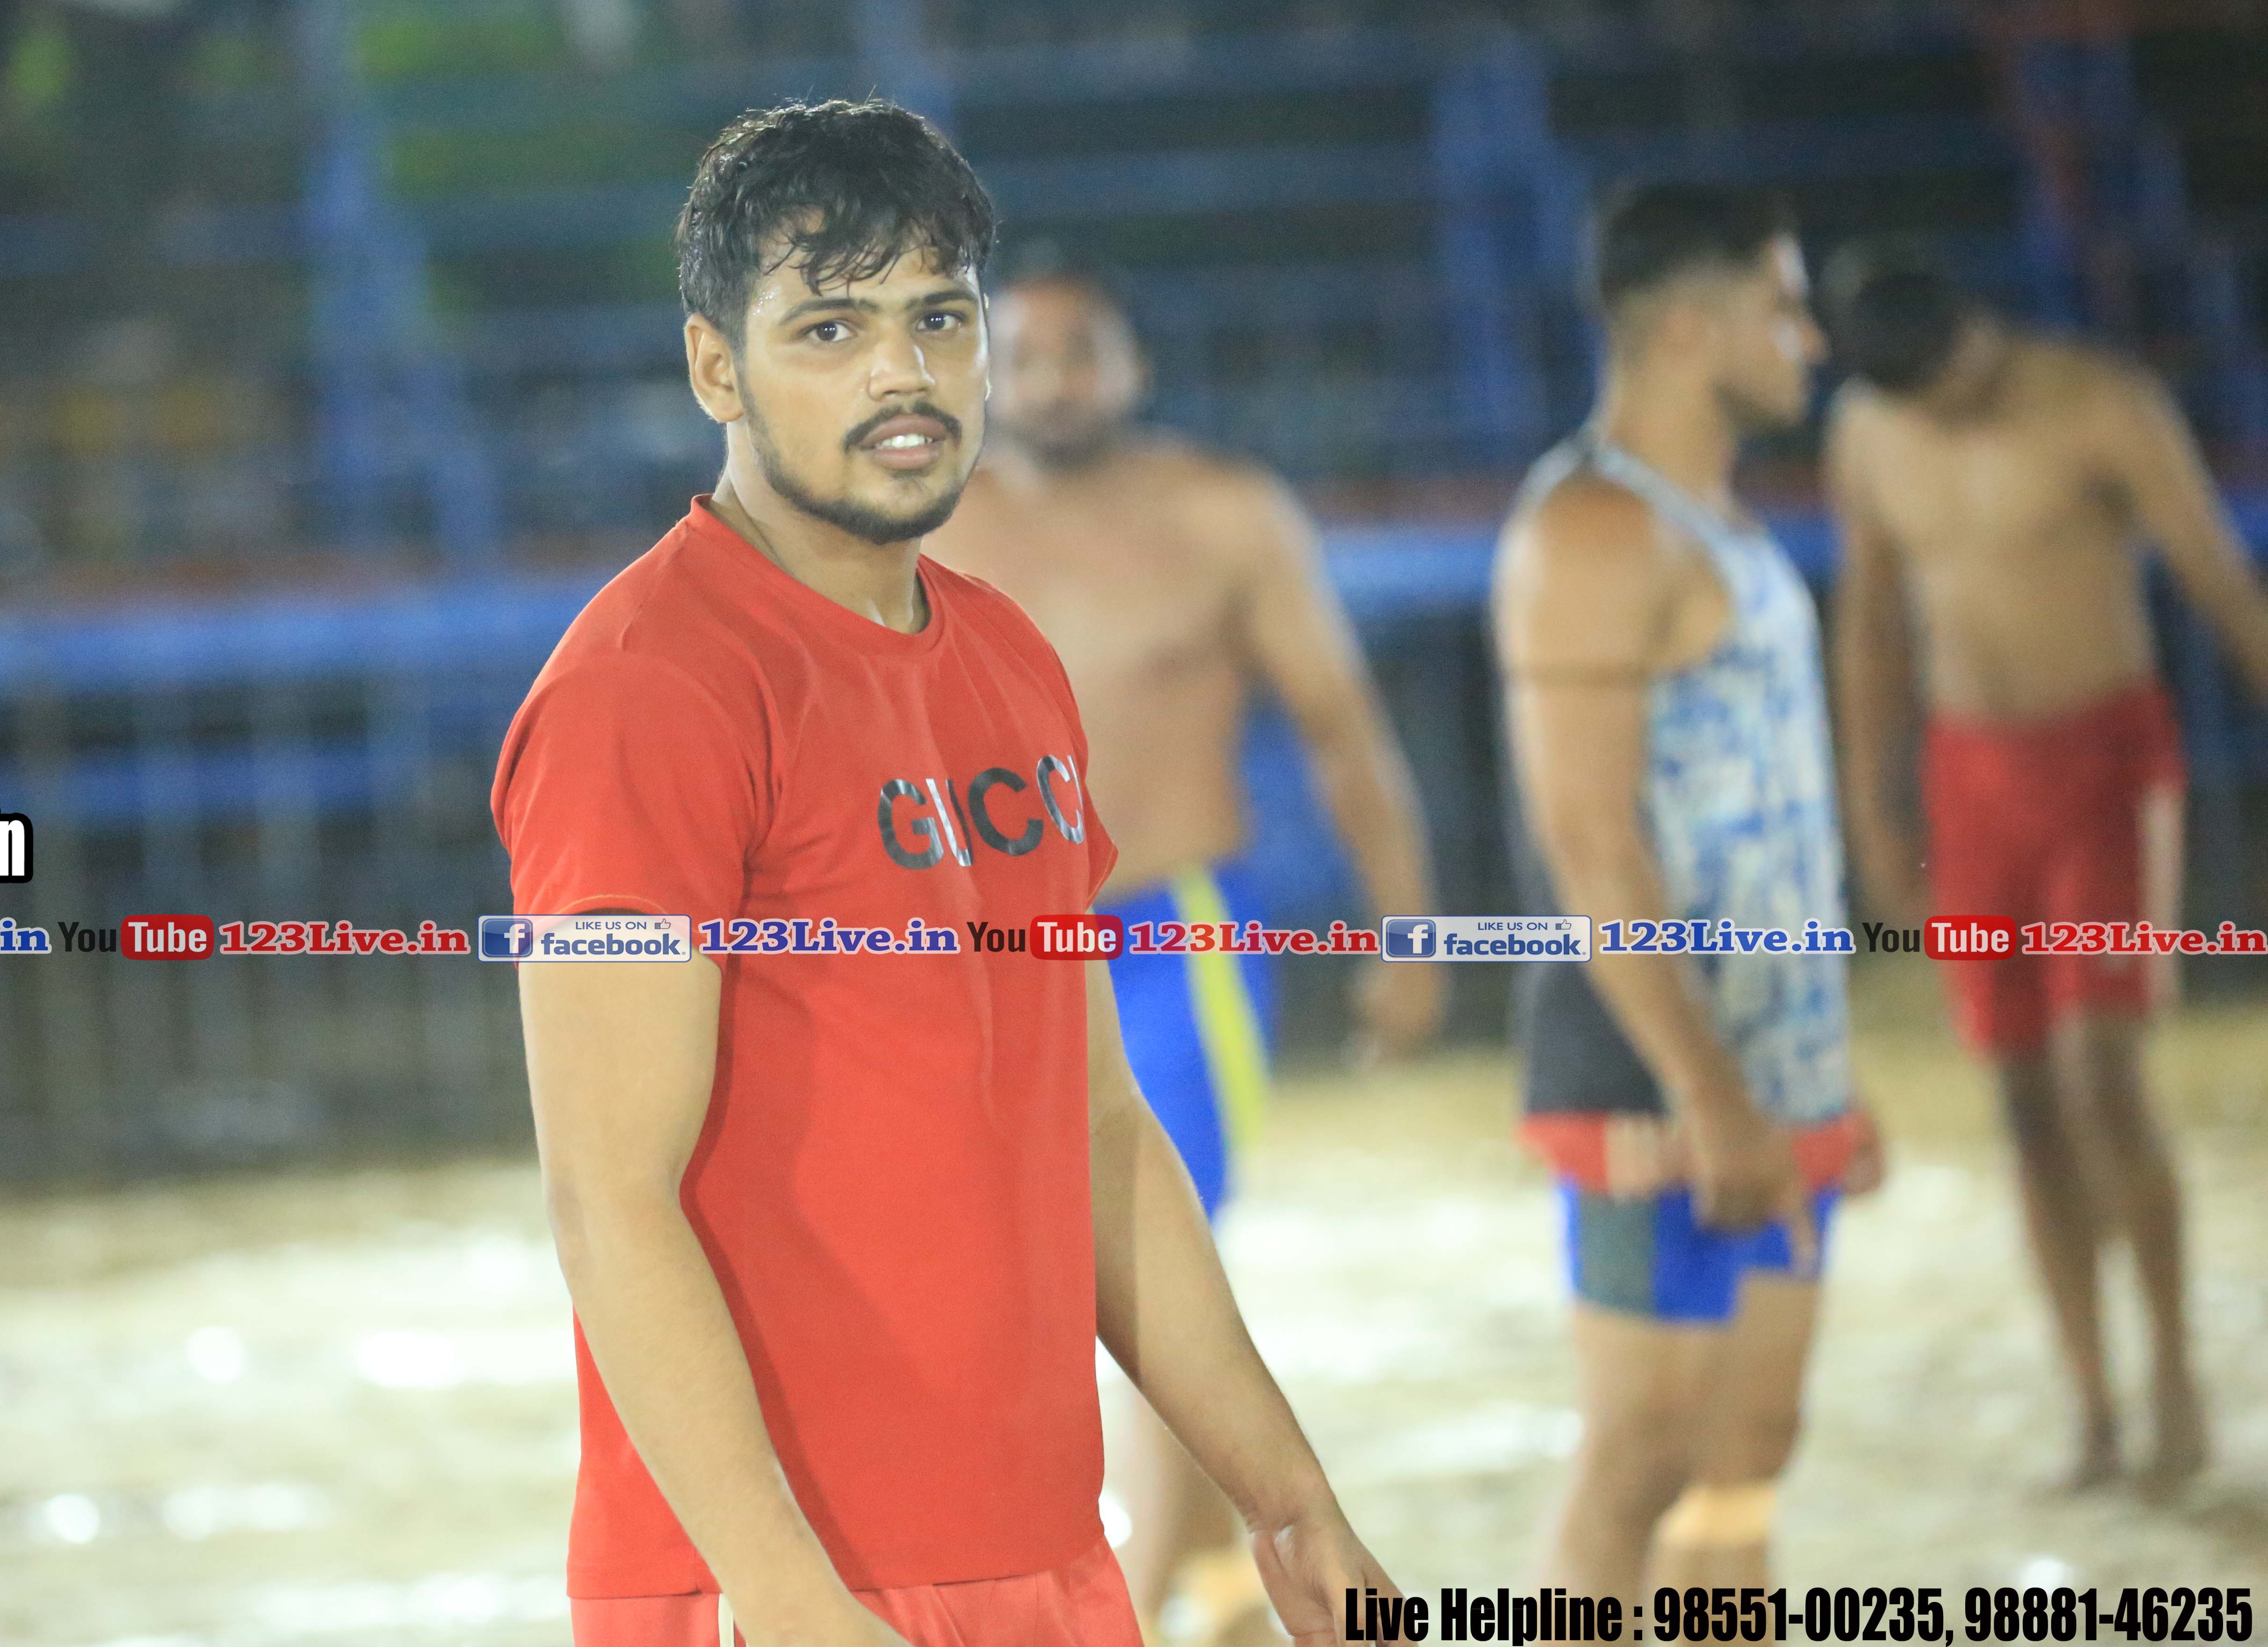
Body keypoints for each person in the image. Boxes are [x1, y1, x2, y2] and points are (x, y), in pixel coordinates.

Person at [491, 99, 1400, 1647]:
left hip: (1045, 1555)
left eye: (938, 319)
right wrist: (790, 1599)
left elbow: (1100, 1131)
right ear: (716, 368)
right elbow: (607, 1198)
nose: (901, 373)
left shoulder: (1006, 662)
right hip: (775, 1589)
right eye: (829, 329)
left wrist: (1290, 1496)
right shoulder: (647, 689)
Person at [925, 247, 1441, 1646]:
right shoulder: (930, 525)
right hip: (984, 952)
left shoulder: (1224, 516)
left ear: (1135, 366)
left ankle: (1137, 1608)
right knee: (1011, 1276)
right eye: (1025, 358)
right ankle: (1207, 1575)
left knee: (1153, 1262)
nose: (1054, 382)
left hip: (1173, 937)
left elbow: (1341, 725)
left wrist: (1407, 931)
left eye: (1081, 353)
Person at [1824, 239, 2266, 1490]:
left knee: (2103, 1074)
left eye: (1959, 393)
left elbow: (2222, 585)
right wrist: (1873, 806)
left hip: (2105, 770)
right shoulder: (1871, 432)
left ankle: (2174, 1375)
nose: (1947, 420)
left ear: (1980, 334)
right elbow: (1871, 619)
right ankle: (2093, 1402)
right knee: (2021, 1098)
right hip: (1970, 780)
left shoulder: (2101, 402)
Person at [1492, 184, 1882, 1602]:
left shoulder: (1713, 517)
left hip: (1770, 1063)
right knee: (1644, 1458)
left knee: (1746, 1454)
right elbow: (1592, 843)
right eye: (1784, 307)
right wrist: (1709, 1090)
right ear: (1687, 331)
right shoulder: (1592, 531)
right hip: (1650, 1076)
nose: (1812, 341)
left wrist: (1819, 1077)